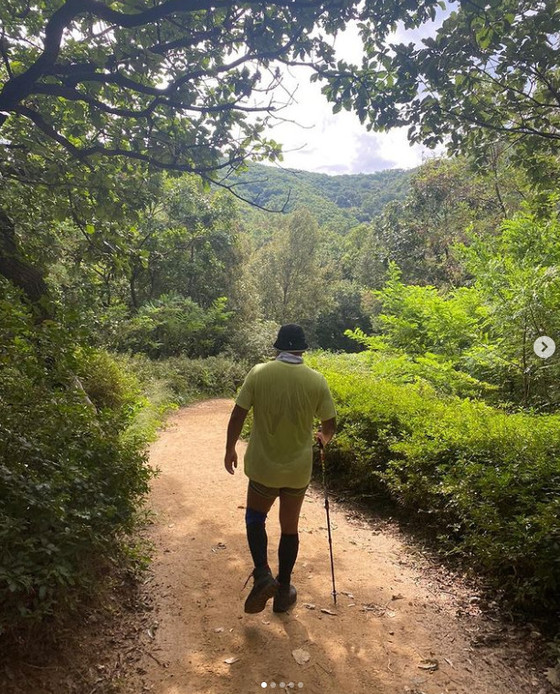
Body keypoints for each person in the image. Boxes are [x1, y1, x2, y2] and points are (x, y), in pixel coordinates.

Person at [224, 323, 336, 614]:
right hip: (297, 471)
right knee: (289, 529)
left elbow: (238, 413)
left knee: (255, 518)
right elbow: (329, 424)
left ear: (278, 347)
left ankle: (262, 575)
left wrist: (230, 448)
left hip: (263, 467)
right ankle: (283, 591)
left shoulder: (259, 373)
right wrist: (323, 438)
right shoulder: (316, 380)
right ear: (301, 349)